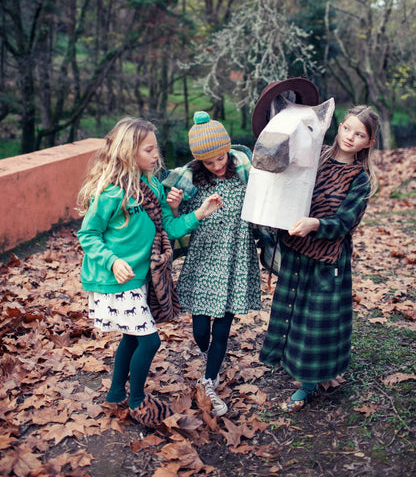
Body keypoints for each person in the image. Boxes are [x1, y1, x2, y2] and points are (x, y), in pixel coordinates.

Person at [77, 117, 221, 428]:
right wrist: (112, 260)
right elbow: (88, 234)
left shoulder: (153, 185)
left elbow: (168, 228)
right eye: (149, 150)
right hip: (115, 280)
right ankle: (138, 400)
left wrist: (199, 212)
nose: (156, 156)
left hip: (141, 278)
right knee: (149, 340)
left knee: (132, 338)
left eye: (155, 149)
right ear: (128, 153)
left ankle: (116, 394)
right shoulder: (112, 193)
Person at [259, 105, 379, 412]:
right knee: (292, 313)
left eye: (360, 134)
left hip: (326, 258)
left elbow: (345, 222)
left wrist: (316, 224)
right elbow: (286, 185)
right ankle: (289, 363)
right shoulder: (315, 155)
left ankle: (308, 384)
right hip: (296, 249)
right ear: (338, 127)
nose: (351, 137)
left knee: (314, 323)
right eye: (347, 128)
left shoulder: (360, 179)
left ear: (368, 142)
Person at [163, 111, 261, 417]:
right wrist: (176, 207)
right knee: (201, 330)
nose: (218, 166)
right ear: (199, 162)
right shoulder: (193, 184)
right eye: (210, 162)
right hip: (204, 261)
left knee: (222, 331)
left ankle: (210, 375)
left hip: (236, 260)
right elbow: (179, 227)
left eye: (221, 158)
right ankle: (208, 353)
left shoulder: (244, 175)